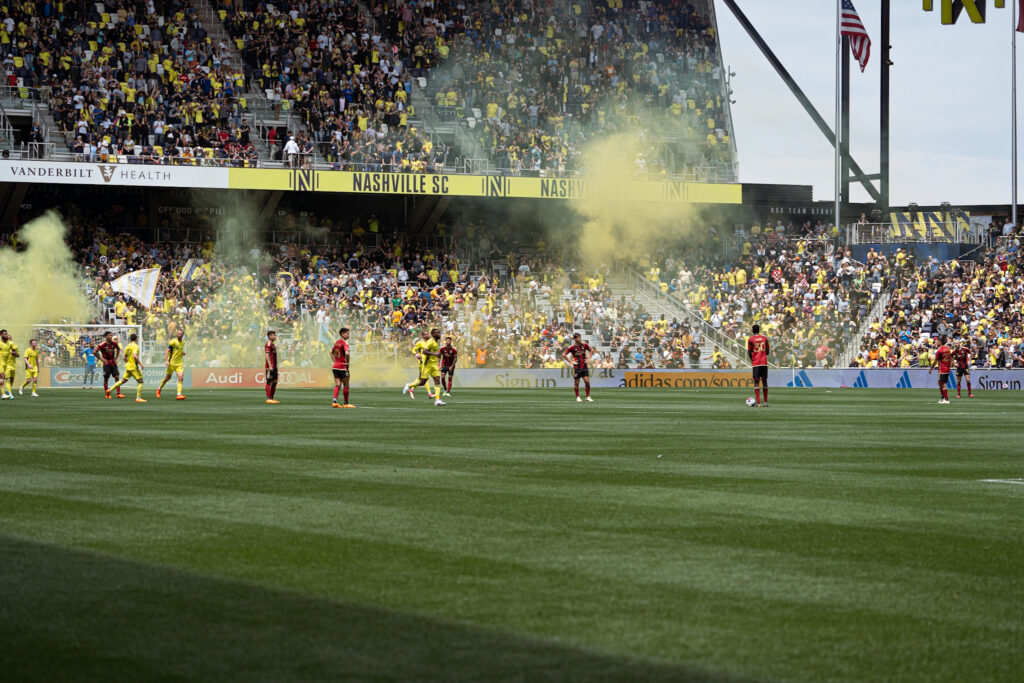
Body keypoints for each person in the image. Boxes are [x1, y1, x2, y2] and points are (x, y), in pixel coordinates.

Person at [110, 333, 146, 402]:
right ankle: (138, 398)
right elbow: (135, 356)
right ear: (136, 339)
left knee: (123, 380)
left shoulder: (127, 346)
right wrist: (140, 364)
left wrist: (128, 362)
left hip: (128, 366)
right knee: (140, 381)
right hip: (133, 367)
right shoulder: (136, 346)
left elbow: (124, 358)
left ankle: (109, 390)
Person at [563, 332, 593, 402]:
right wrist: (571, 361)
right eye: (579, 337)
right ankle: (578, 397)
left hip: (584, 366)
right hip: (577, 367)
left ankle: (588, 396)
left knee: (587, 381)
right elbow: (563, 354)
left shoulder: (584, 345)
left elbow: (592, 350)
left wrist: (589, 358)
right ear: (575, 339)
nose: (580, 339)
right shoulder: (572, 347)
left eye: (580, 337)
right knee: (577, 382)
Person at [156, 330, 186, 400]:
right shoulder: (173, 342)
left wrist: (182, 353)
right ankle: (159, 389)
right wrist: (166, 361)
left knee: (181, 378)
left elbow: (178, 350)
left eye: (181, 334)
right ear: (177, 334)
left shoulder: (183, 343)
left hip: (179, 363)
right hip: (171, 363)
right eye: (178, 333)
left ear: (182, 335)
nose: (179, 335)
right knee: (167, 378)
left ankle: (179, 394)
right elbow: (167, 351)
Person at [330, 327, 355, 408]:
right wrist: (347, 363)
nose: (348, 335)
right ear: (342, 334)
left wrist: (335, 361)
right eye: (347, 333)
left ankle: (334, 401)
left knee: (337, 384)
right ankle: (346, 403)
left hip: (335, 366)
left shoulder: (337, 342)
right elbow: (347, 353)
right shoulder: (345, 343)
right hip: (342, 366)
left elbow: (331, 352)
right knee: (346, 385)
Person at [747, 324, 770, 407]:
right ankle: (765, 402)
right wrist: (762, 354)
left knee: (756, 382)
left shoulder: (750, 339)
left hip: (756, 363)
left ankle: (759, 402)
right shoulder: (764, 338)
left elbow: (749, 352)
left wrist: (753, 359)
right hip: (764, 362)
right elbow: (767, 351)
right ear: (759, 330)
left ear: (753, 330)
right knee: (765, 382)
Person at [96, 331, 123, 399]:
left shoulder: (114, 343)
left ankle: (118, 393)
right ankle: (107, 394)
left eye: (111, 335)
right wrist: (102, 359)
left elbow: (118, 349)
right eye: (109, 335)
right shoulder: (102, 344)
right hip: (106, 364)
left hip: (113, 363)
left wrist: (116, 358)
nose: (111, 336)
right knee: (106, 378)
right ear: (106, 336)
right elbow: (94, 352)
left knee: (117, 377)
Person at [929, 334, 953, 404]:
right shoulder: (948, 349)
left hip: (942, 369)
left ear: (940, 342)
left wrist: (931, 369)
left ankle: (946, 399)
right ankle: (943, 398)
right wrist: (952, 364)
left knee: (943, 384)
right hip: (947, 368)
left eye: (937, 341)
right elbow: (951, 357)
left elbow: (935, 361)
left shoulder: (939, 350)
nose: (936, 342)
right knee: (940, 383)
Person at [0, 329, 18, 399]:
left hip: (6, 364)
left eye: (7, 334)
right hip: (0, 363)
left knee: (2, 378)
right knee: (2, 377)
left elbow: (16, 353)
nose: (6, 335)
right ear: (1, 335)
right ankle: (3, 394)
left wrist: (14, 353)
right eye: (5, 334)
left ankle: (3, 394)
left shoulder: (10, 343)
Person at [265, 330, 280, 404]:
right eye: (274, 335)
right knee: (269, 381)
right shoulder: (268, 344)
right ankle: (268, 398)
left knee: (275, 382)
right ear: (270, 336)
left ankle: (271, 398)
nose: (275, 336)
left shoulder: (273, 345)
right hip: (270, 367)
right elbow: (267, 355)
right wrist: (270, 365)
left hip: (274, 366)